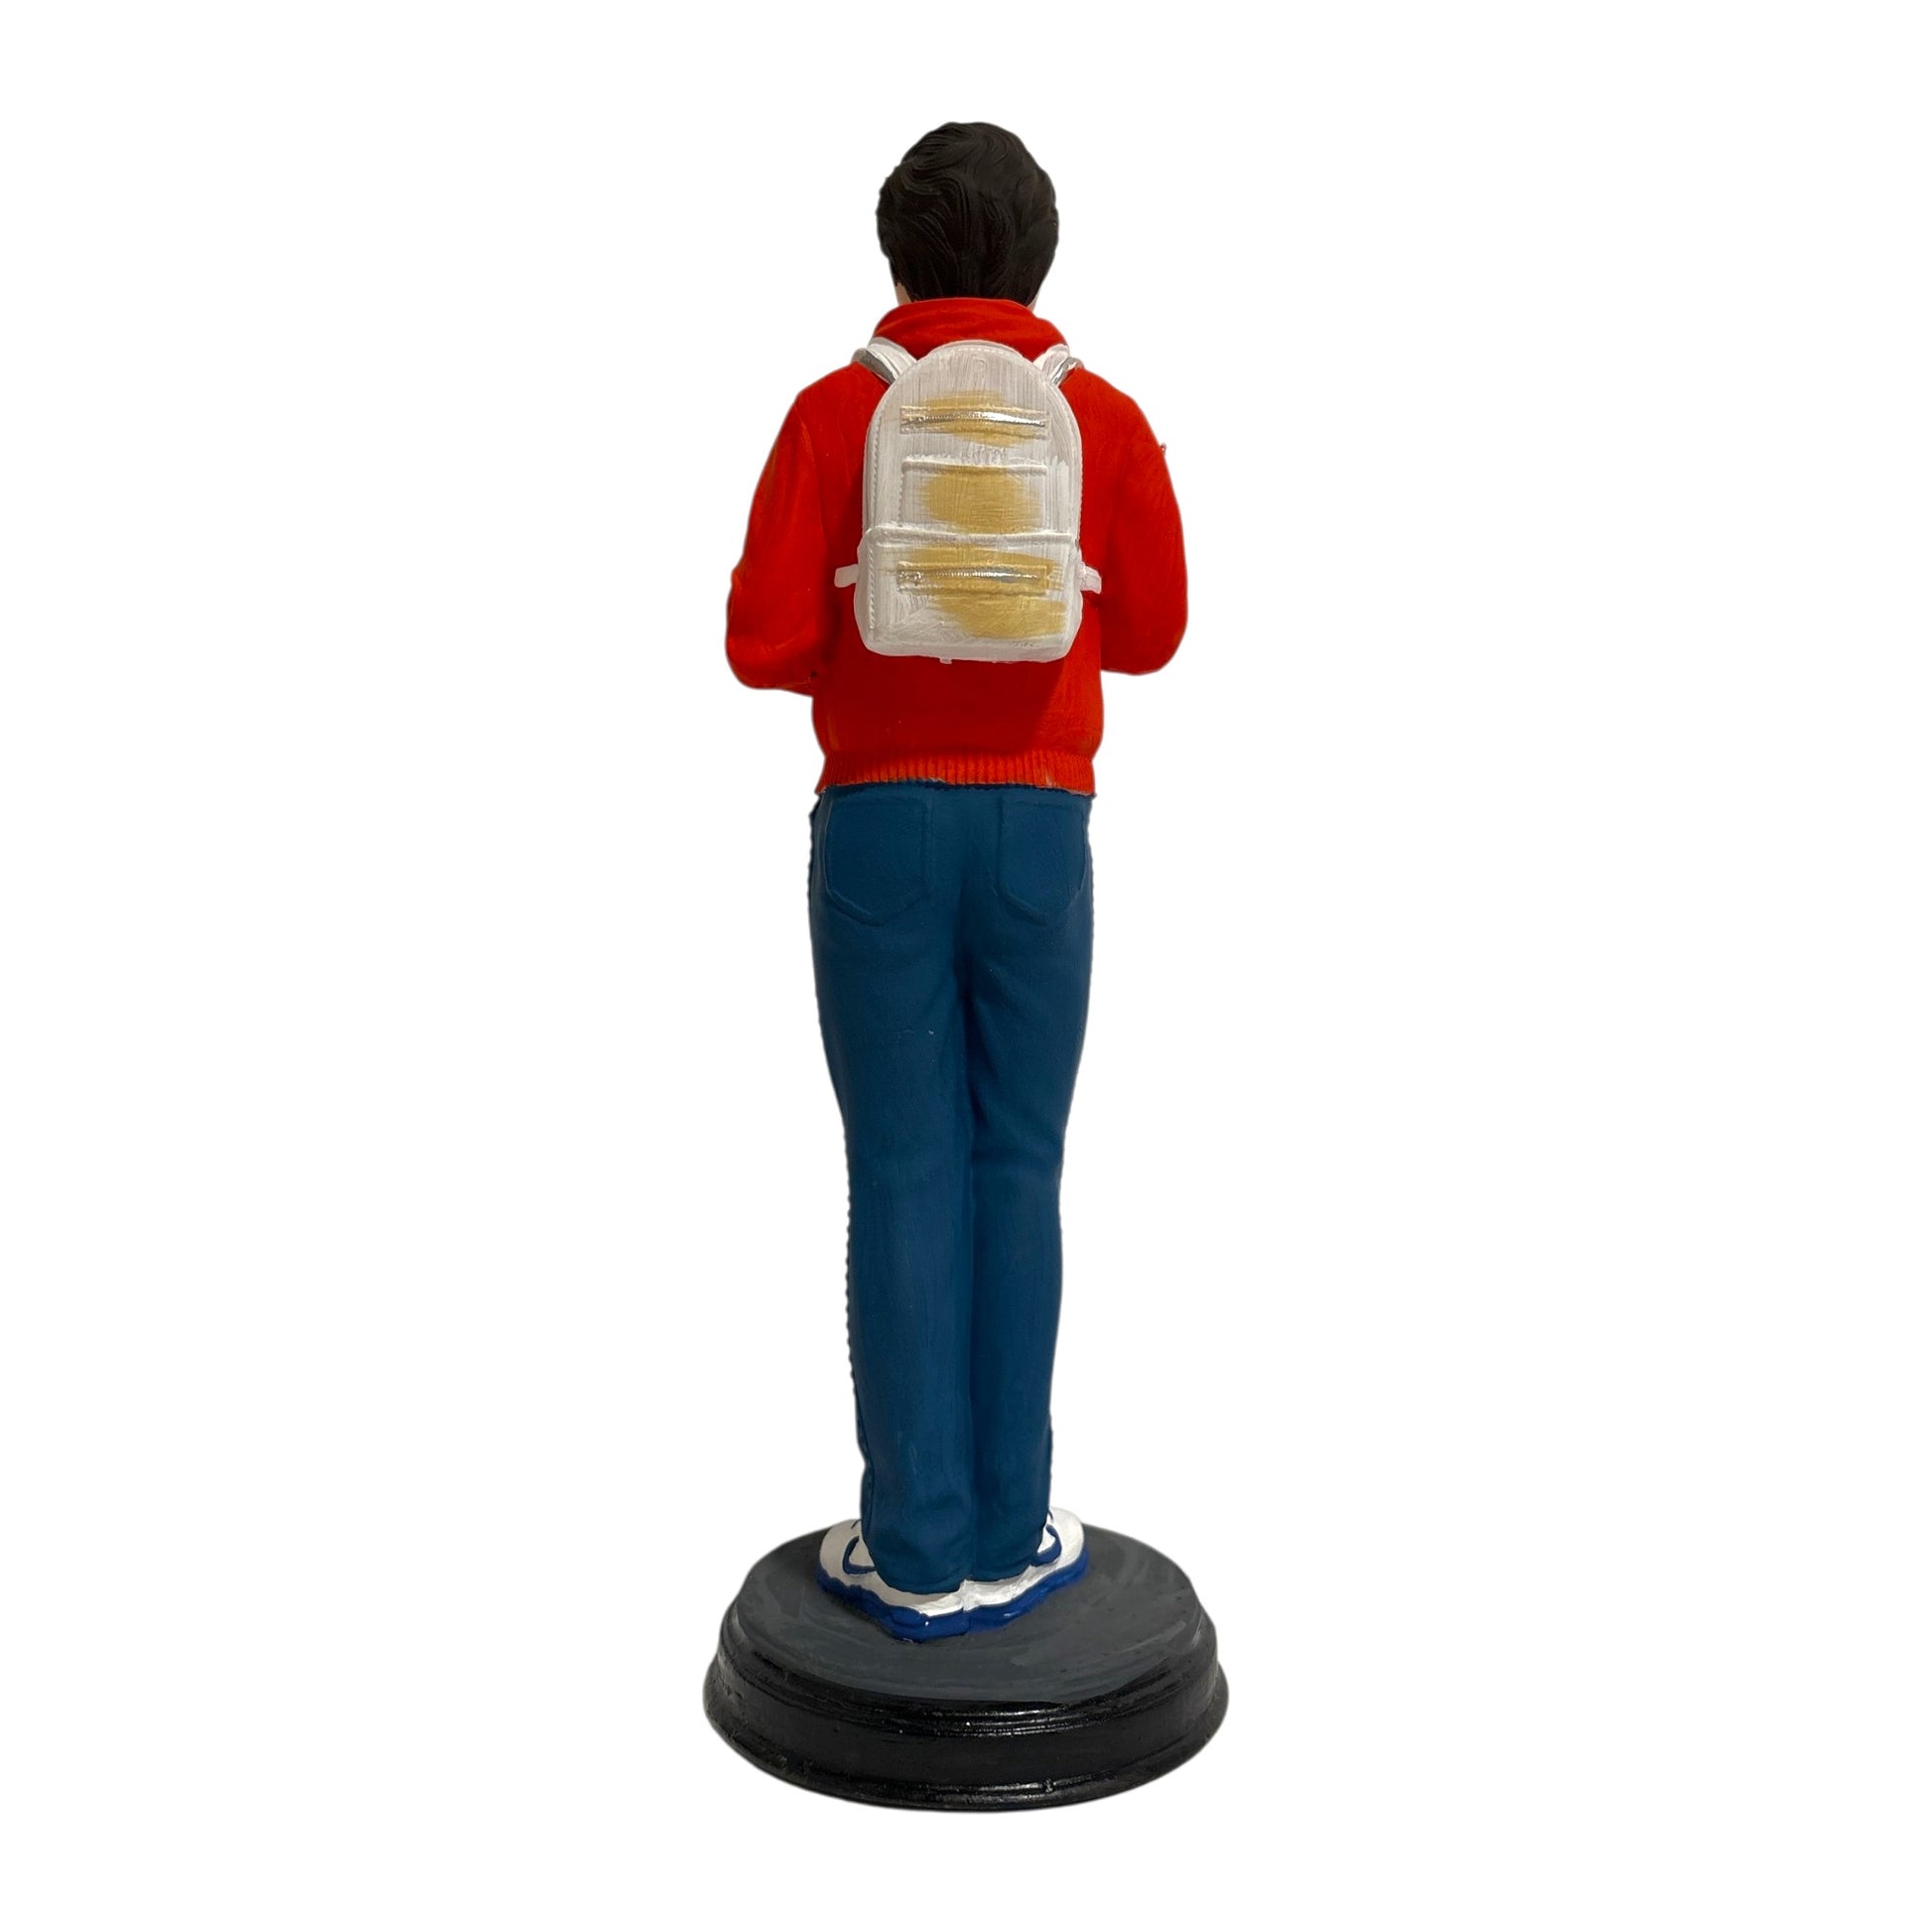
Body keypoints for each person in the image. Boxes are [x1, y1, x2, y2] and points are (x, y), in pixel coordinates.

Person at [725, 121, 1186, 1640]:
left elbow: (759, 643)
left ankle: (913, 1543)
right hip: (1042, 828)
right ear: (1039, 253)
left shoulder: (829, 413)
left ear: (895, 251)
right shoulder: (1101, 417)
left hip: (875, 827)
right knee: (1018, 1169)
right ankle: (1011, 1523)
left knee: (902, 1170)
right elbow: (1151, 632)